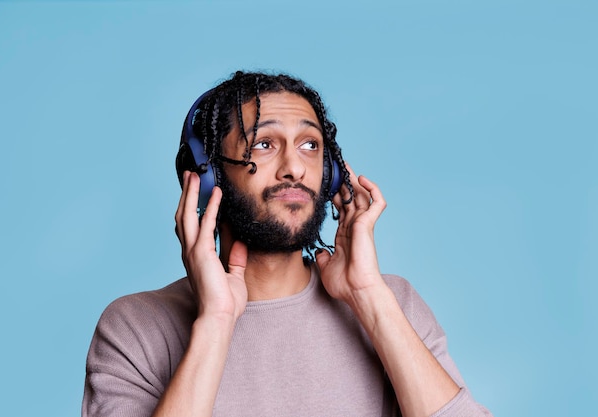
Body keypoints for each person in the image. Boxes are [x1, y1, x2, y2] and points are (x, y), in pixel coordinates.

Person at [82, 71, 493, 417]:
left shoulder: (394, 303)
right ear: (206, 178)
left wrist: (368, 297)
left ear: (330, 175)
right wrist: (216, 323)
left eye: (310, 146)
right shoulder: (135, 328)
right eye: (264, 143)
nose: (295, 167)